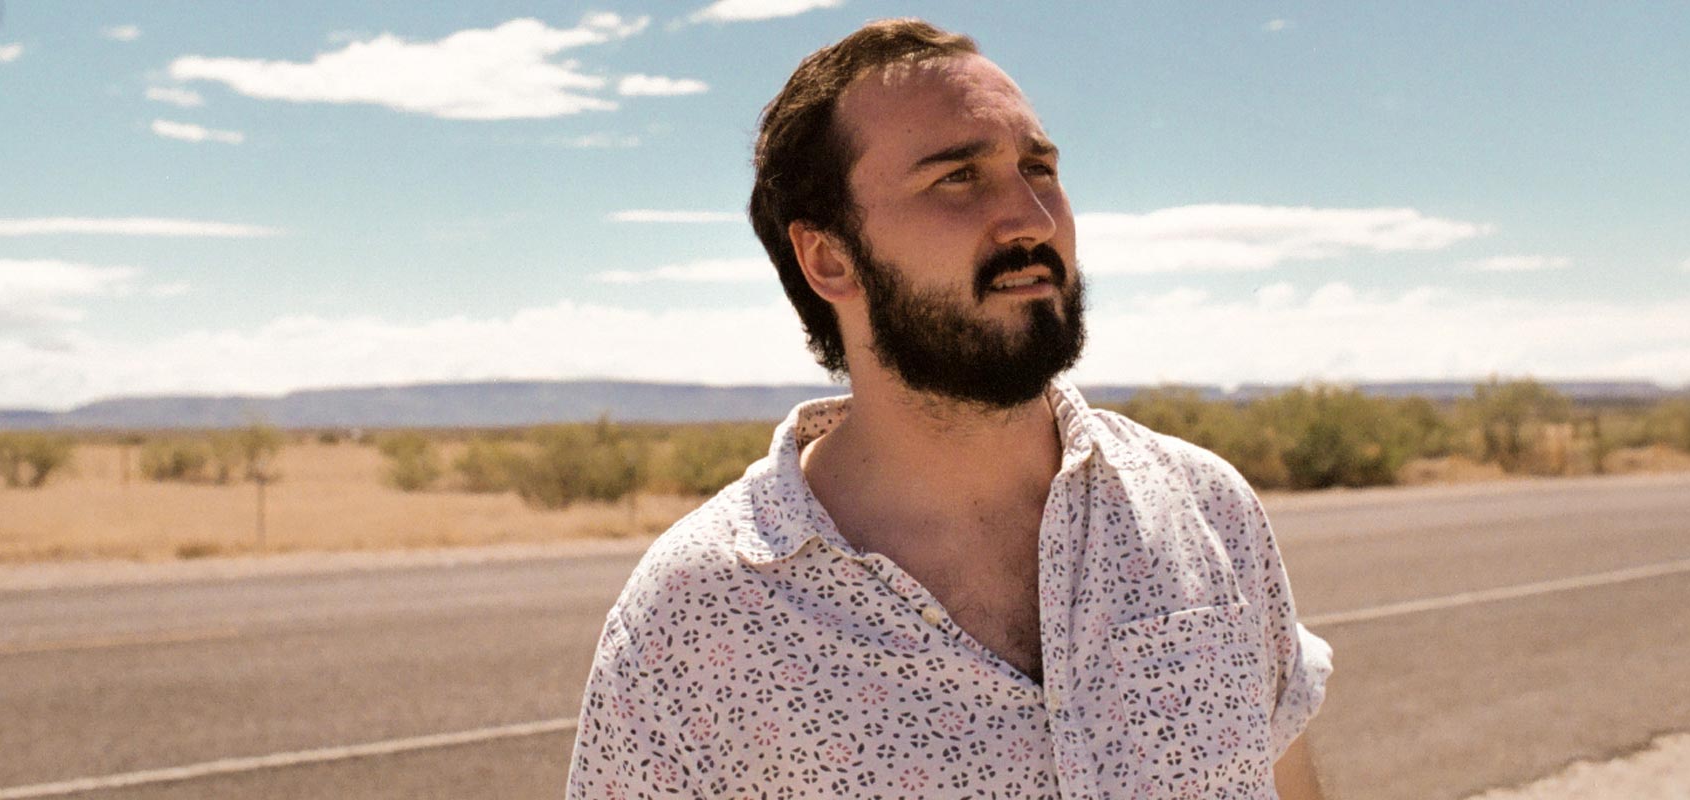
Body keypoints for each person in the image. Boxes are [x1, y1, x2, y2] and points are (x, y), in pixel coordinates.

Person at [568, 18, 1332, 799]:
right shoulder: (696, 616)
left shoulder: (1205, 510)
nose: (1033, 219)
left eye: (1038, 168)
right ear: (829, 259)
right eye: (958, 177)